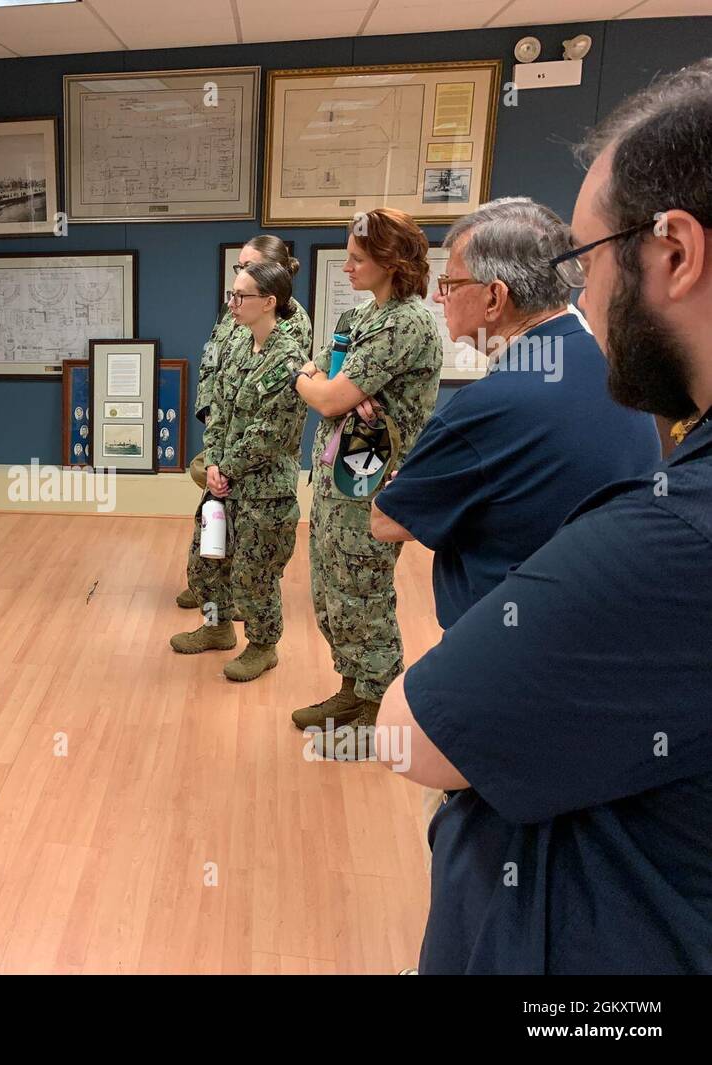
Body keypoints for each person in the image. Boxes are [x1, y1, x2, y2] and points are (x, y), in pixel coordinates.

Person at [377, 59, 712, 973]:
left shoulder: (672, 536)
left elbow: (410, 731)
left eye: (591, 260)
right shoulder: (647, 410)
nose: (587, 295)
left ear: (674, 253)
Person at [372, 197, 661, 629]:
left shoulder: (488, 406)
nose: (438, 295)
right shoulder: (613, 364)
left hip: (508, 642)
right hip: (606, 616)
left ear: (494, 298)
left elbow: (387, 520)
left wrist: (427, 485)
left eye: (450, 282)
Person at [291, 208, 443, 753]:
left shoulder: (408, 323)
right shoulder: (362, 319)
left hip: (372, 483)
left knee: (363, 592)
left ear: (392, 262)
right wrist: (323, 383)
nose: (347, 267)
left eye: (358, 259)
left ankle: (380, 708)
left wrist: (310, 379)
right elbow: (330, 384)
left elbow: (327, 394)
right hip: (339, 473)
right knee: (331, 591)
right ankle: (353, 688)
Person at [171, 261, 311, 681]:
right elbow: (217, 410)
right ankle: (216, 628)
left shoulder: (289, 359)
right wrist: (212, 461)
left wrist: (226, 467)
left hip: (263, 491)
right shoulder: (237, 345)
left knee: (255, 573)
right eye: (231, 294)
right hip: (222, 484)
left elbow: (270, 432)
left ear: (269, 302)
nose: (231, 303)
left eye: (241, 296)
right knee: (207, 561)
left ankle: (262, 647)